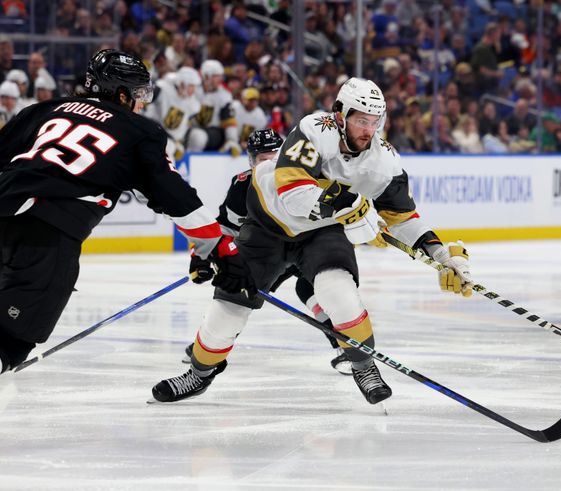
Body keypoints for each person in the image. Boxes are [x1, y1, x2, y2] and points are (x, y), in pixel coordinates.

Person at [0, 49, 226, 438]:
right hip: (47, 236)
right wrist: (214, 243)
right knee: (12, 341)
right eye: (135, 92)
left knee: (7, 320)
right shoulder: (137, 130)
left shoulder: (43, 109)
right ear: (119, 93)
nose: (137, 100)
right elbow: (170, 192)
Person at [152, 78, 473, 405]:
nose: (369, 130)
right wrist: (347, 202)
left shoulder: (384, 161)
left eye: (375, 122)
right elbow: (293, 196)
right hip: (267, 225)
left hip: (321, 231)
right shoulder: (313, 130)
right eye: (361, 120)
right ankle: (200, 374)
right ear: (339, 114)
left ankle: (363, 364)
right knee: (227, 309)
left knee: (338, 288)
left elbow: (403, 218)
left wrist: (441, 256)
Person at [179, 128, 353, 374]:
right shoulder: (242, 185)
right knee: (239, 292)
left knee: (310, 288)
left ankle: (345, 348)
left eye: (274, 157)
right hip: (268, 251)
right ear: (252, 161)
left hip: (304, 247)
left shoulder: (301, 177)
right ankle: (209, 345)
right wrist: (205, 256)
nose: (269, 164)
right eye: (263, 159)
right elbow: (226, 225)